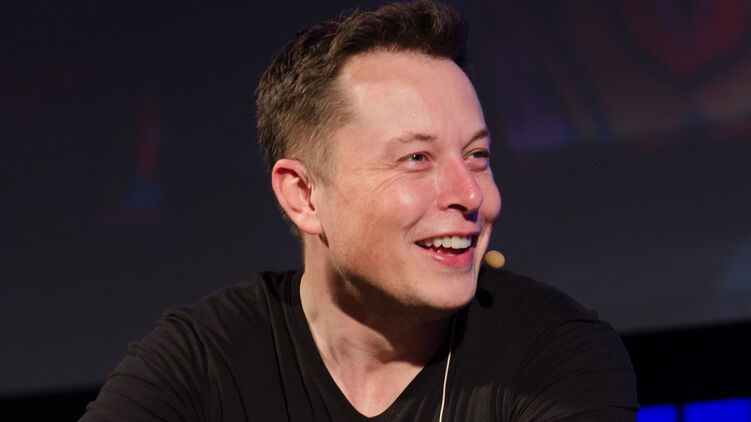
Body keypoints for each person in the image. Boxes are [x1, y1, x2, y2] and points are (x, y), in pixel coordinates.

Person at [80, 1, 638, 420]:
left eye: (477, 156)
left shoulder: (556, 354)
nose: (472, 196)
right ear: (303, 195)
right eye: (416, 159)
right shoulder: (202, 361)